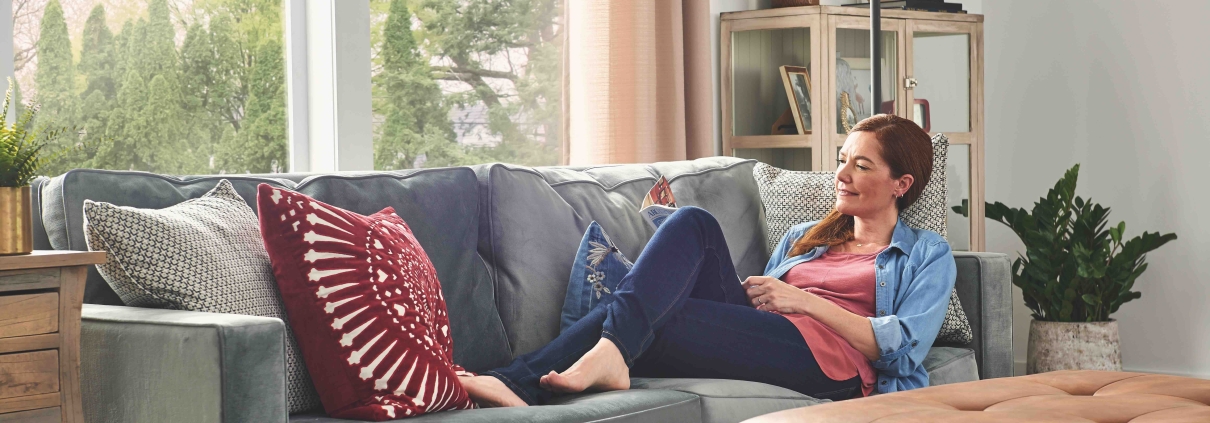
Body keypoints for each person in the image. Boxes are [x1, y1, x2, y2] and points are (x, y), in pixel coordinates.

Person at [459, 114, 957, 407]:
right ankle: (588, 359)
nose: (841, 173)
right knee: (692, 222)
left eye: (861, 165)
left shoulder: (926, 254)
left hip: (835, 366)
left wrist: (800, 298)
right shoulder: (807, 236)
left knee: (656, 316)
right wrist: (755, 293)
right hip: (768, 331)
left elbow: (899, 348)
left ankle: (516, 379)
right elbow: (760, 312)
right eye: (843, 158)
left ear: (901, 184)